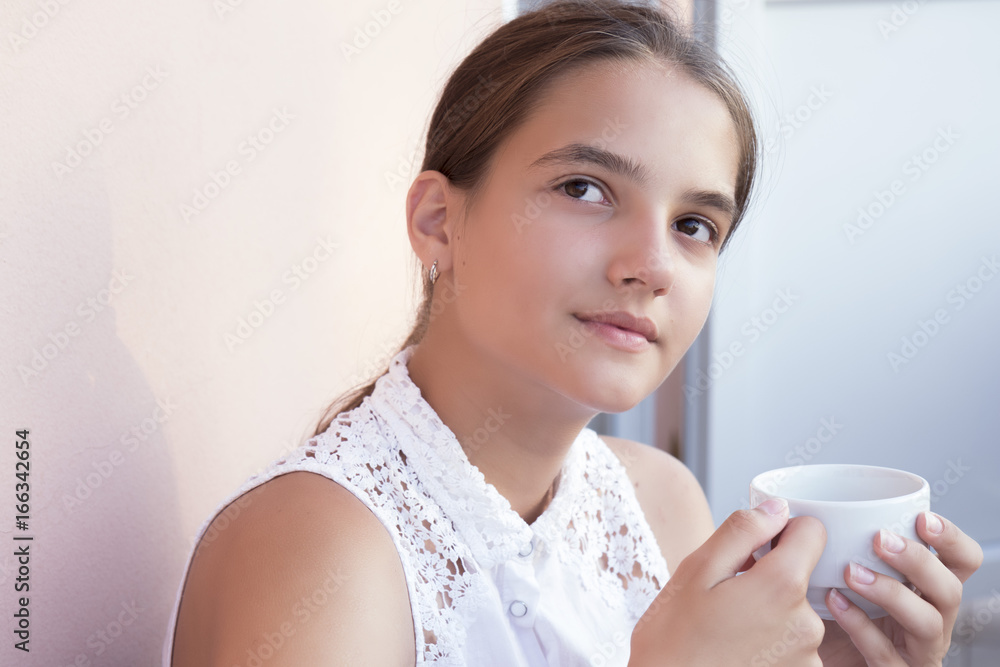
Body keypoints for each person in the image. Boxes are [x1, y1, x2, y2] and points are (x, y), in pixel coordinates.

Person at [163, 1, 984, 665]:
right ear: (439, 221)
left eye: (696, 224)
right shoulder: (322, 548)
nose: (652, 264)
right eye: (586, 188)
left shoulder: (662, 502)